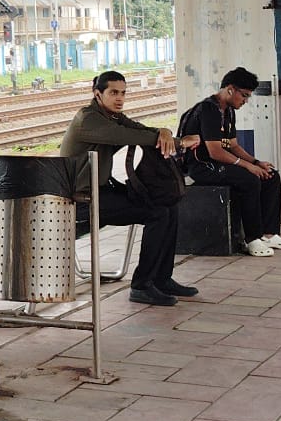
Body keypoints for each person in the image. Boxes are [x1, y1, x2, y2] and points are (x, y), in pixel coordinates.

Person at [59, 70, 200, 307]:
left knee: (168, 206)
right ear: (97, 94)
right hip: (80, 199)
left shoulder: (112, 116)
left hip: (100, 191)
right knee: (157, 214)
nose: (119, 98)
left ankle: (162, 279)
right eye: (113, 92)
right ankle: (141, 286)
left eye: (123, 93)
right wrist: (176, 142)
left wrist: (163, 131)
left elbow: (141, 129)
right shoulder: (89, 118)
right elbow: (128, 136)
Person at [179, 67, 281, 258]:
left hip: (220, 164)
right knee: (249, 180)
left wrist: (257, 162)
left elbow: (233, 146)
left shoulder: (229, 111)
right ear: (230, 89)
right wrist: (247, 166)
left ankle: (270, 233)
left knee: (271, 176)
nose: (245, 101)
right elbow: (215, 152)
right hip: (201, 167)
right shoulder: (209, 109)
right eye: (244, 95)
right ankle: (252, 238)